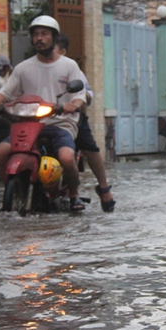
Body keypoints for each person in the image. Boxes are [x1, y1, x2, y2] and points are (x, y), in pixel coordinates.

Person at [0, 15, 88, 211]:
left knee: (67, 157)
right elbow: (6, 92)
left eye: (44, 34)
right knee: (1, 151)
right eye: (35, 35)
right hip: (29, 123)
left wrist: (73, 105)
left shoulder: (69, 65)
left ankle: (74, 195)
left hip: (60, 123)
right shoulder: (23, 68)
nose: (39, 38)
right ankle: (10, 191)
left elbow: (80, 95)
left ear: (54, 37)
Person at [54, 34, 116, 212]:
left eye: (55, 50)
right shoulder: (35, 67)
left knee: (90, 148)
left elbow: (88, 92)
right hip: (43, 119)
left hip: (70, 118)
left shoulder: (72, 70)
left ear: (63, 52)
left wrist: (76, 102)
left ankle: (104, 188)